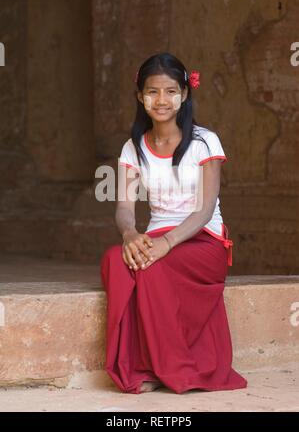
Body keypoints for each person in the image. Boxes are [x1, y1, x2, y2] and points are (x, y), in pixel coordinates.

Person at [100, 52, 247, 394]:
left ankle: (168, 369)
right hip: (157, 238)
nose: (161, 100)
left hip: (203, 241)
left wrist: (166, 244)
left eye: (170, 91)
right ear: (140, 96)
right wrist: (129, 234)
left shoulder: (204, 141)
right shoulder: (132, 148)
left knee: (150, 268)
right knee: (115, 261)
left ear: (184, 94)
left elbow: (205, 209)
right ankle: (137, 366)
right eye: (152, 92)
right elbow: (124, 206)